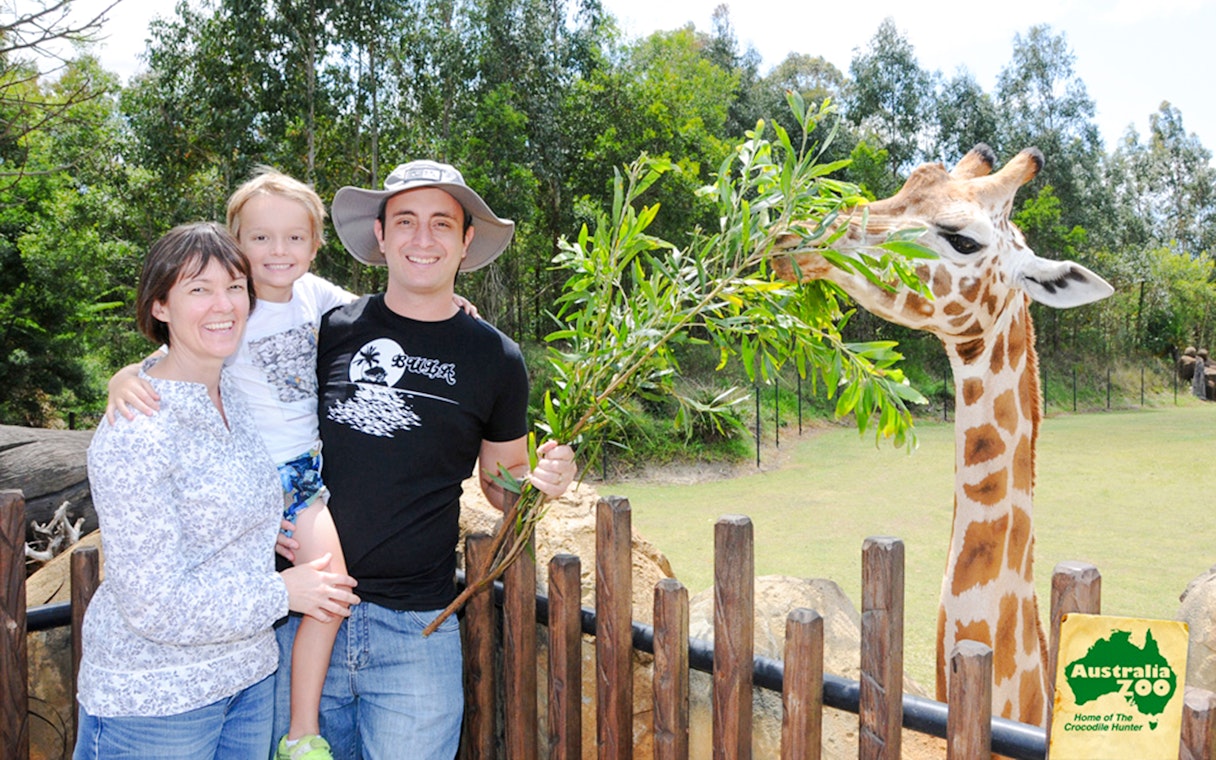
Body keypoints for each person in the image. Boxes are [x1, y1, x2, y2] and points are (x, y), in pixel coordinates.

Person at [106, 169, 483, 760]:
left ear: (313, 245)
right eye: (260, 239)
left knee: (324, 587)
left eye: (293, 239)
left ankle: (298, 728)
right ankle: (302, 734)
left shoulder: (318, 298)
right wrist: (124, 375)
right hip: (265, 473)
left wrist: (451, 302)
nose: (277, 252)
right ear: (237, 244)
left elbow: (389, 310)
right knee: (329, 586)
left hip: (304, 473)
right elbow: (173, 345)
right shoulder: (234, 304)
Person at [280, 159, 575, 760]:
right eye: (406, 220)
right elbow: (228, 358)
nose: (422, 238)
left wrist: (543, 479)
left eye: (442, 223)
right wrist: (139, 370)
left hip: (417, 631)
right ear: (381, 236)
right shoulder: (328, 328)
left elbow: (502, 483)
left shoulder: (497, 357)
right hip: (302, 615)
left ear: (466, 242)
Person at [75, 222, 359, 759]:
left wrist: (254, 526)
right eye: (198, 289)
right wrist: (284, 592)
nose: (223, 304)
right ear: (160, 306)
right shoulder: (138, 427)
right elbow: (154, 606)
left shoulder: (228, 389)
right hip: (158, 704)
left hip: (248, 687)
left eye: (234, 286)